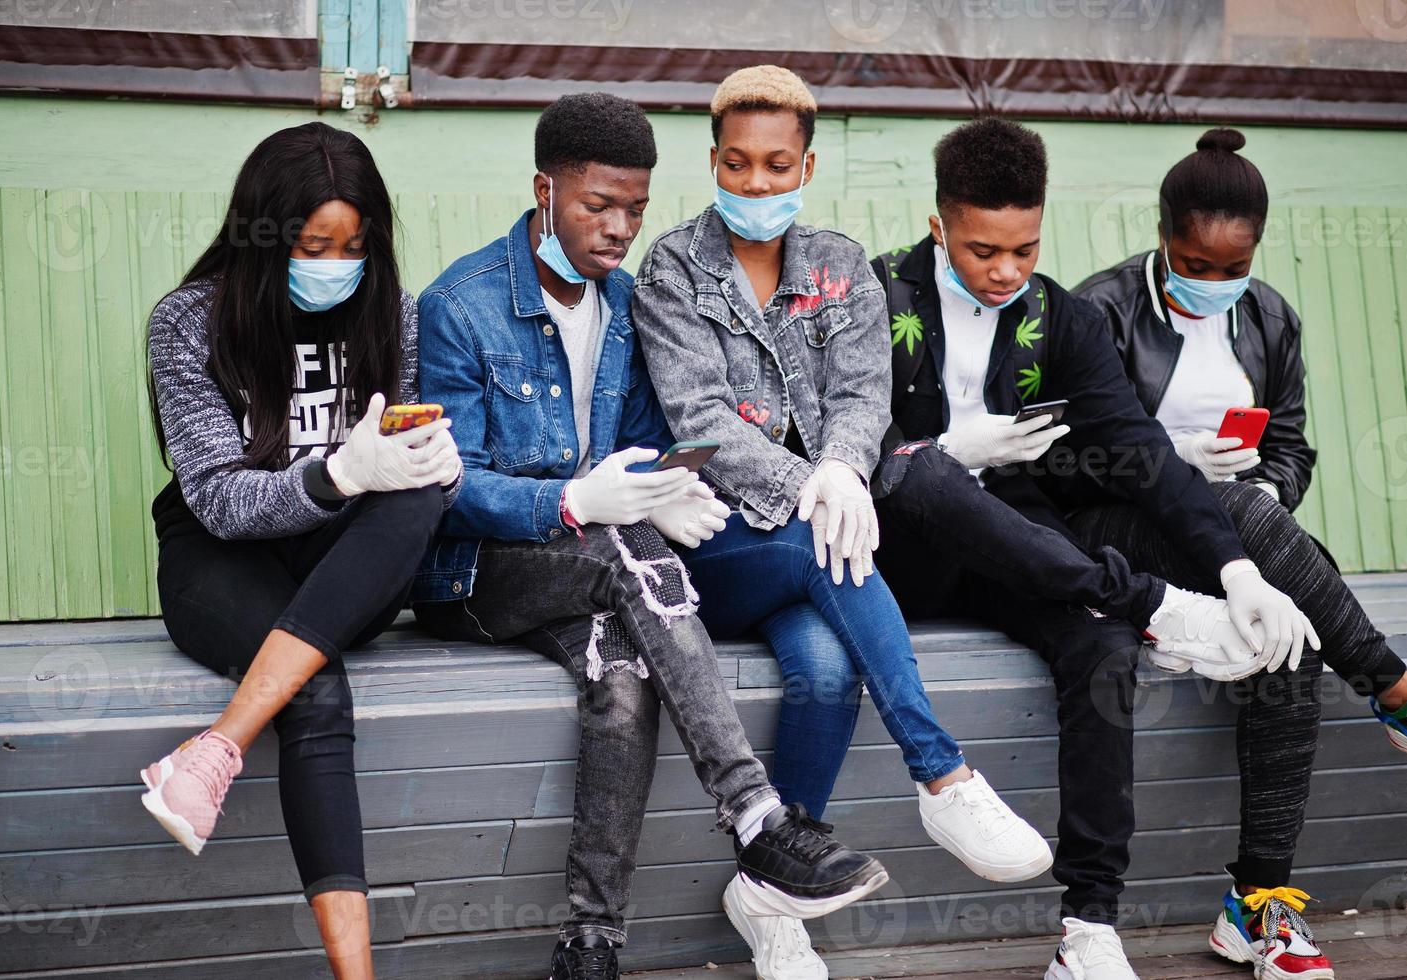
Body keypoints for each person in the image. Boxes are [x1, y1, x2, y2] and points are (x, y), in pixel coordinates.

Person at [409, 92, 888, 980]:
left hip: (594, 572)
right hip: (478, 578)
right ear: (543, 191)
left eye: (636, 207)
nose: (620, 227)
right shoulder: (459, 306)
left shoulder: (629, 305)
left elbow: (641, 447)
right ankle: (755, 814)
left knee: (621, 674)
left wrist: (663, 484)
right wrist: (574, 501)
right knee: (630, 550)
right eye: (598, 204)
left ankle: (591, 943)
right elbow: (450, 490)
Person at [866, 118, 1328, 980]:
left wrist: (1234, 568)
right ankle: (1152, 602)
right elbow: (852, 446)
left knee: (1104, 649)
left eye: (1024, 247)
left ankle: (1088, 929)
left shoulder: (1058, 315)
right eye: (980, 251)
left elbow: (1141, 453)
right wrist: (953, 450)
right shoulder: (872, 293)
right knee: (926, 474)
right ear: (938, 227)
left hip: (1016, 551)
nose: (1005, 271)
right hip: (903, 548)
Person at [633, 68, 1057, 980]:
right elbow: (699, 418)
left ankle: (772, 894)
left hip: (815, 541)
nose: (755, 184)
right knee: (822, 542)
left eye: (775, 165)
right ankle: (941, 775)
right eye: (737, 164)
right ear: (712, 162)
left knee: (826, 673)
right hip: (716, 541)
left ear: (806, 164)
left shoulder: (841, 265)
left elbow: (861, 396)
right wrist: (817, 482)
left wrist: (840, 466)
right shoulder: (671, 267)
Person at [1074, 127, 1407, 979]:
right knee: (1231, 517)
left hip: (1235, 545)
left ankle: (1258, 908)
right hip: (1115, 530)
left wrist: (1264, 492)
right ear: (1162, 236)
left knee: (1286, 633)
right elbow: (1056, 460)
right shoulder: (1099, 310)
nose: (1215, 282)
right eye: (1194, 263)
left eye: (1233, 266)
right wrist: (1170, 469)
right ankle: (1391, 684)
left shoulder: (1268, 319)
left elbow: (1292, 449)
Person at [141, 122, 462, 980]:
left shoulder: (391, 313)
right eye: (313, 244)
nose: (336, 261)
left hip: (339, 566)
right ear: (264, 231)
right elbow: (216, 497)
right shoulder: (189, 322)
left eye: (354, 244)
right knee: (313, 694)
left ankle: (210, 752)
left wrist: (434, 465)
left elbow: (406, 471)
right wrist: (337, 473)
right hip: (222, 561)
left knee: (421, 493)